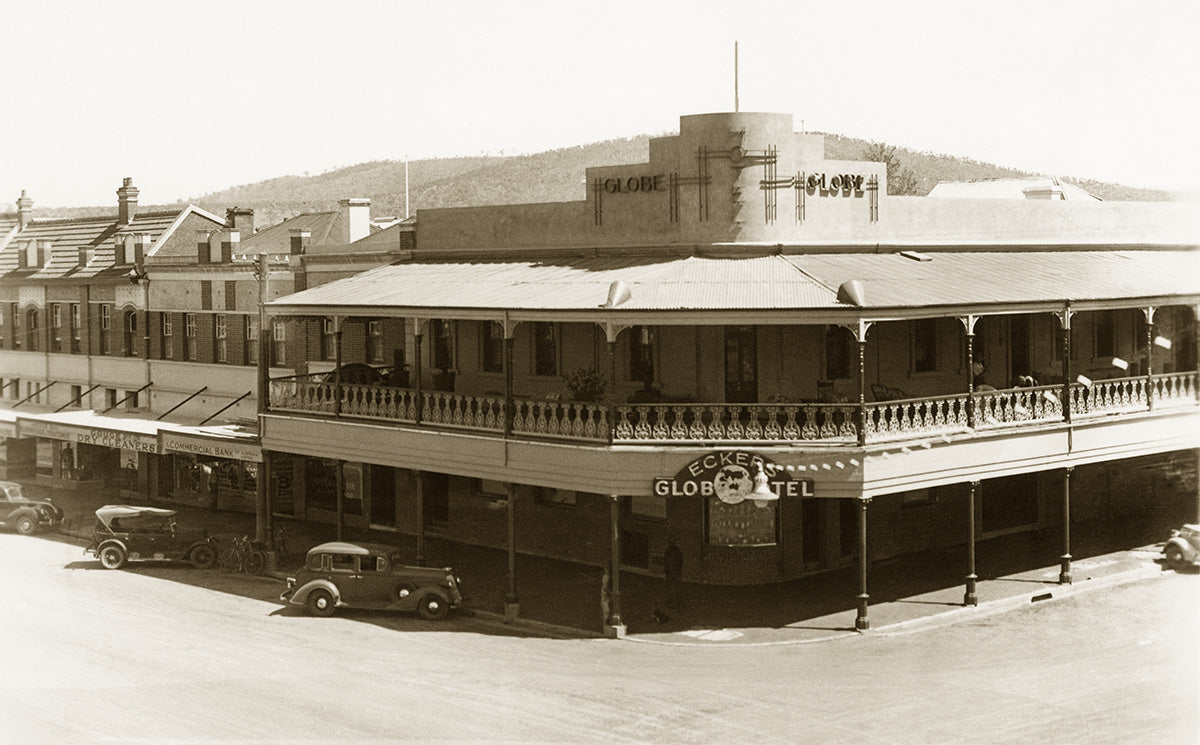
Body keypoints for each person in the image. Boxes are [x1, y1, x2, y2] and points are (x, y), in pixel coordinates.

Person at [663, 538, 684, 610]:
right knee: (677, 587)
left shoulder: (667, 551)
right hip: (677, 571)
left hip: (670, 572)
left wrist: (665, 571)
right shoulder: (678, 551)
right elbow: (681, 561)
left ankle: (669, 601)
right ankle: (677, 604)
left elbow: (666, 562)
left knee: (669, 587)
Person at [599, 564, 612, 628]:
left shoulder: (606, 577)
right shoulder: (605, 577)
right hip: (605, 593)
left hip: (606, 594)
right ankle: (606, 619)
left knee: (605, 604)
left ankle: (606, 619)